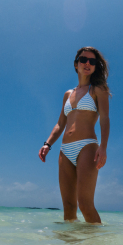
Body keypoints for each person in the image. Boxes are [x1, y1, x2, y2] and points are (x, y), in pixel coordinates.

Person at [39, 47, 111, 224]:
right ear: (76, 64)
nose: (87, 63)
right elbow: (60, 124)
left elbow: (105, 119)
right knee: (69, 206)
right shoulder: (67, 94)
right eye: (83, 59)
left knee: (85, 205)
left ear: (95, 67)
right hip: (65, 150)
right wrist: (47, 144)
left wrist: (103, 147)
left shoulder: (97, 90)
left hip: (87, 146)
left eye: (92, 61)